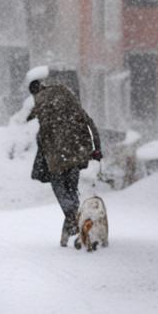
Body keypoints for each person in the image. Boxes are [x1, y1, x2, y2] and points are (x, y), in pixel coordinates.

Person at [27, 79, 102, 246]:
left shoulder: (41, 103)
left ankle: (75, 221)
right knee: (71, 189)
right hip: (76, 152)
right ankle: (71, 226)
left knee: (60, 188)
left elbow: (36, 130)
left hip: (57, 156)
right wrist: (97, 148)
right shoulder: (67, 97)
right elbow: (90, 123)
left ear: (34, 92)